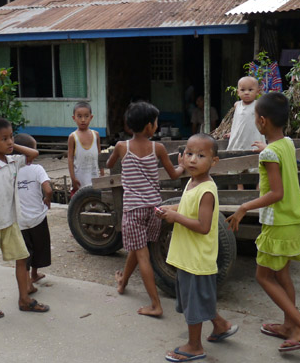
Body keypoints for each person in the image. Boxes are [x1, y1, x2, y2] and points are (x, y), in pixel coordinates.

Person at [226, 93, 300, 353]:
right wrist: (263, 149)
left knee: (263, 276)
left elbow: (275, 193)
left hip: (278, 224)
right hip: (294, 220)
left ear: (262, 121)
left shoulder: (269, 153)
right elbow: (277, 155)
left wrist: (244, 206)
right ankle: (289, 325)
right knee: (282, 274)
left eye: (255, 116)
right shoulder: (286, 143)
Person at [159, 133, 238, 362]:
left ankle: (194, 346)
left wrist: (175, 217)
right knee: (198, 297)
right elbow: (187, 206)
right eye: (189, 154)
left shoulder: (206, 190)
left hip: (197, 259)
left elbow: (203, 226)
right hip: (188, 256)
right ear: (181, 157)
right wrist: (169, 209)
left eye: (201, 155)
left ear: (214, 161)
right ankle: (221, 325)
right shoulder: (192, 182)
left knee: (194, 304)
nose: (193, 160)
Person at [106, 101, 185, 317]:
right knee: (138, 248)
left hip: (133, 209)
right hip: (153, 209)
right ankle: (122, 282)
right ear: (150, 126)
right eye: (156, 122)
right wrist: (182, 165)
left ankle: (155, 305)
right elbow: (174, 174)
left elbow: (109, 163)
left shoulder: (122, 147)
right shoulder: (157, 148)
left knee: (142, 255)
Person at [0, 118, 49, 319]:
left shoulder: (12, 161)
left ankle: (24, 299)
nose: (9, 142)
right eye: (4, 139)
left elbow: (34, 153)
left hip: (11, 223)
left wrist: (11, 145)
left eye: (11, 137)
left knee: (22, 258)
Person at [14, 133, 53, 289]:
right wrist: (47, 199)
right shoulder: (37, 169)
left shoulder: (12, 169)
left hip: (20, 219)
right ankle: (34, 275)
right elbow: (48, 190)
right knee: (39, 246)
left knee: (25, 251)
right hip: (38, 217)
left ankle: (27, 281)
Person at [224, 76, 265, 190]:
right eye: (243, 90)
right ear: (238, 92)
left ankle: (259, 186)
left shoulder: (258, 105)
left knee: (258, 161)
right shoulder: (237, 105)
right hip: (239, 138)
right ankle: (239, 186)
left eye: (250, 90)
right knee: (236, 160)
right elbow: (237, 122)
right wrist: (232, 133)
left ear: (257, 92)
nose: (246, 93)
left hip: (254, 137)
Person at [67, 102, 104, 194]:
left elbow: (99, 155)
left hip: (94, 177)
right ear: (74, 118)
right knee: (80, 203)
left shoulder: (96, 135)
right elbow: (70, 159)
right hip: (79, 180)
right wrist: (73, 178)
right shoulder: (73, 137)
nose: (83, 120)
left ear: (91, 117)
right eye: (79, 116)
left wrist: (102, 172)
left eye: (86, 116)